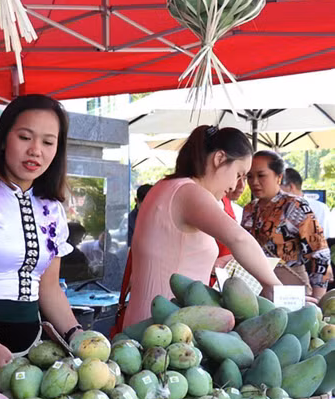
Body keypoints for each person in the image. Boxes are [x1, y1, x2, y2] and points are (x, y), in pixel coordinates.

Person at [0, 94, 82, 379]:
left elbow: (49, 290)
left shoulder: (52, 209)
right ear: (3, 140)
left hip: (31, 353)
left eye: (48, 142)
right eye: (25, 137)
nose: (36, 150)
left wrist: (78, 337)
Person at [123, 126, 282, 328]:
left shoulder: (166, 186)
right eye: (238, 174)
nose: (236, 185)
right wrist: (274, 286)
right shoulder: (188, 192)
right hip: (164, 329)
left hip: (155, 325)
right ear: (219, 159)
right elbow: (238, 238)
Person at [244, 151, 330, 299]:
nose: (254, 182)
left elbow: (320, 254)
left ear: (279, 177)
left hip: (290, 288)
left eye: (261, 175)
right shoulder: (249, 209)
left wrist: (319, 300)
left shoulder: (295, 206)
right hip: (254, 289)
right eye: (250, 176)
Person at [282, 167, 333, 238]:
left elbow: (327, 238)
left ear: (291, 187)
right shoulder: (276, 209)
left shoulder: (320, 208)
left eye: (279, 188)